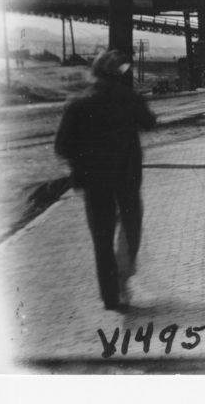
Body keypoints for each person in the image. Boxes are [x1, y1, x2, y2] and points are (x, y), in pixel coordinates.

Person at [55, 48, 156, 310]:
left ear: (94, 73)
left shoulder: (77, 103)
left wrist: (83, 159)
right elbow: (150, 123)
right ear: (118, 74)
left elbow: (62, 147)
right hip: (127, 177)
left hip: (94, 182)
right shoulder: (128, 97)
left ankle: (111, 298)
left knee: (102, 240)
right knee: (131, 228)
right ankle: (124, 277)